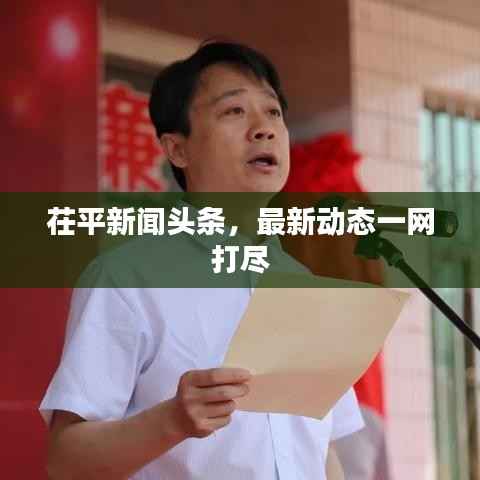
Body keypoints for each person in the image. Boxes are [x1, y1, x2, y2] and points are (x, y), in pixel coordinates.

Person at [40, 40, 364, 479]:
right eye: (234, 110)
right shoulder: (129, 278)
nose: (264, 129)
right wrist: (171, 420)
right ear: (178, 150)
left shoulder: (304, 284)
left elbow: (322, 450)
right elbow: (65, 460)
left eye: (273, 112)